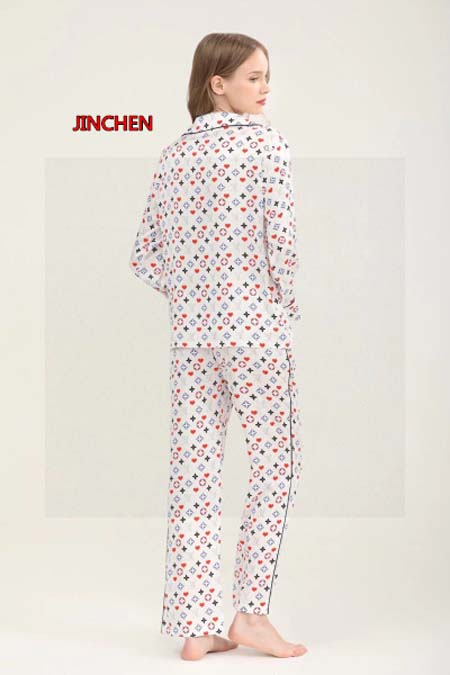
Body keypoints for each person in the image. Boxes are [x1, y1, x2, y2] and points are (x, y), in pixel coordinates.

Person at [129, 32, 307, 661]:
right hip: (255, 332)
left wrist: (194, 297)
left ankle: (195, 625)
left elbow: (144, 256)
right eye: (254, 77)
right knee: (276, 463)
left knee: (194, 472)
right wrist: (280, 307)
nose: (265, 88)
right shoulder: (266, 145)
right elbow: (283, 245)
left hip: (192, 340)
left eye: (266, 76)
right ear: (218, 84)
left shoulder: (173, 155)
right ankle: (250, 613)